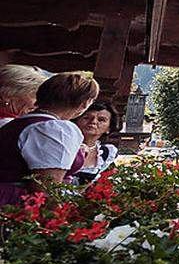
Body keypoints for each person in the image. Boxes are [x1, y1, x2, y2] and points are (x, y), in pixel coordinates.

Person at [0, 72, 98, 207]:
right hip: (16, 205)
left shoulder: (17, 123)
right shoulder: (54, 130)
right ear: (84, 103)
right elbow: (46, 189)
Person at [71, 101, 119, 184]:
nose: (93, 122)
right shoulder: (64, 146)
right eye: (86, 118)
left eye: (101, 120)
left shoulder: (106, 154)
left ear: (108, 129)